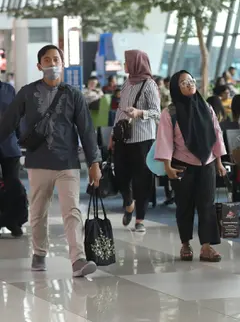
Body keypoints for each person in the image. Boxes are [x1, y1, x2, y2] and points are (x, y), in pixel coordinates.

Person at [0, 44, 102, 277]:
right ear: (39, 65)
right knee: (38, 211)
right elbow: (7, 123)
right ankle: (39, 253)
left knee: (72, 211)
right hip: (38, 162)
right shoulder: (27, 93)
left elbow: (86, 130)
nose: (52, 64)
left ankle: (77, 260)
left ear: (63, 64)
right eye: (47, 60)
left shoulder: (73, 94)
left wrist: (95, 162)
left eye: (56, 59)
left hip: (67, 163)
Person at [154, 70, 227, 262]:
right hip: (182, 165)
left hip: (207, 162)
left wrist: (219, 161)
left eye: (191, 80)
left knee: (207, 205)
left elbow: (216, 134)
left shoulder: (206, 107)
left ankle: (206, 246)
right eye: (184, 82)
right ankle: (185, 243)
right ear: (176, 88)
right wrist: (168, 167)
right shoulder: (170, 113)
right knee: (184, 205)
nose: (189, 84)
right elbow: (165, 141)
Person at [109, 50, 161, 233]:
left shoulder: (150, 85)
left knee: (142, 180)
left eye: (127, 61)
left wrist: (140, 113)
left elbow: (157, 113)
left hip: (143, 140)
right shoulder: (126, 83)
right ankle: (128, 202)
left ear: (136, 63)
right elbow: (120, 111)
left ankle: (140, 219)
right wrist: (112, 135)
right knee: (121, 175)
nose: (125, 64)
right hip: (123, 138)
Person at [0, 79, 23, 236]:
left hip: (9, 145)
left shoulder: (9, 89)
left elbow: (17, 115)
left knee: (13, 185)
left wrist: (21, 138)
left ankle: (13, 222)